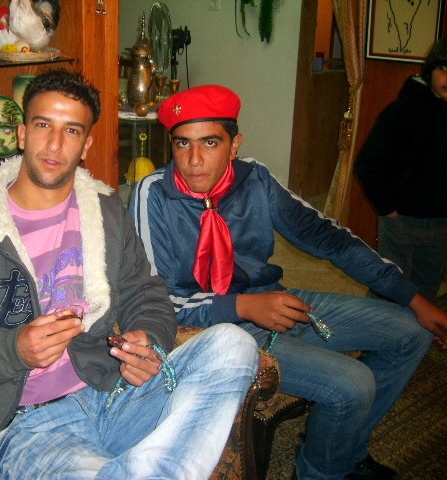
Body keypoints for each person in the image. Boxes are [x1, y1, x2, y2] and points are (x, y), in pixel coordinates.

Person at [0, 69, 258, 480]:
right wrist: (14, 349)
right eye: (43, 125)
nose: (55, 144)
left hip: (109, 393)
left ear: (86, 144)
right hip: (26, 425)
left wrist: (148, 341)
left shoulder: (105, 210)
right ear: (22, 133)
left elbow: (145, 294)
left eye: (71, 130)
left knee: (233, 344)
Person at [130, 84, 447, 480]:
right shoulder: (153, 194)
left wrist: (413, 297)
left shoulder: (255, 179)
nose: (194, 160)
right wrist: (243, 306)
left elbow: (328, 237)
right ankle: (321, 473)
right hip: (216, 329)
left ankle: (341, 453)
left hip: (273, 299)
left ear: (234, 145)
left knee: (410, 331)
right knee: (352, 384)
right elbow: (155, 301)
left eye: (210, 142)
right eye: (182, 143)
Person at [356, 37, 447, 302]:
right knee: (388, 291)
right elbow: (368, 163)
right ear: (430, 70)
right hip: (400, 221)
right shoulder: (402, 112)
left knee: (425, 294)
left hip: (441, 224)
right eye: (443, 69)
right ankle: (374, 329)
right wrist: (388, 209)